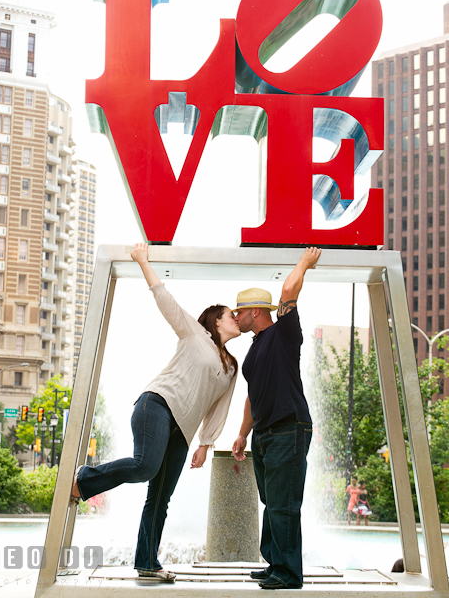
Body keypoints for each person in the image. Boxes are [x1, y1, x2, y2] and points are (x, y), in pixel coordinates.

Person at [70, 243, 240, 581]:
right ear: (217, 322)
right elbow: (166, 301)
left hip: (183, 430)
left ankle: (147, 562)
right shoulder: (196, 334)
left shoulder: (232, 367)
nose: (236, 318)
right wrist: (143, 262)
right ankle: (84, 479)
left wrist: (206, 444)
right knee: (146, 466)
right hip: (157, 405)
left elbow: (219, 409)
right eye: (231, 314)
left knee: (160, 496)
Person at [232, 247, 321, 590]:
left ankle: (288, 573)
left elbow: (287, 293)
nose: (236, 317)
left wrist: (304, 262)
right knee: (272, 502)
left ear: (255, 312)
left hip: (289, 427)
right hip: (265, 433)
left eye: (239, 312)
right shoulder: (254, 349)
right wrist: (242, 434)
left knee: (284, 504)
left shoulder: (284, 334)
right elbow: (253, 396)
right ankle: (275, 565)